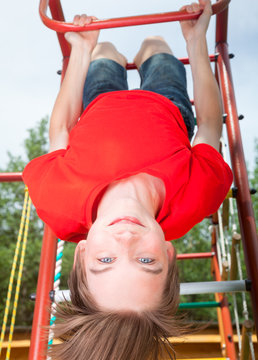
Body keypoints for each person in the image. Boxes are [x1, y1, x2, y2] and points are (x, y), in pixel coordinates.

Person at [23, 0, 233, 359]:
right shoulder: (197, 196)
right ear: (168, 255)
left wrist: (81, 51)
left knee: (104, 53)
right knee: (156, 45)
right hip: (168, 104)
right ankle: (153, 50)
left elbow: (60, 129)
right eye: (146, 262)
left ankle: (103, 53)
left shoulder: (59, 202)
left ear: (83, 254)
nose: (126, 240)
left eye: (105, 261)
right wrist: (196, 43)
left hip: (98, 104)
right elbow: (212, 125)